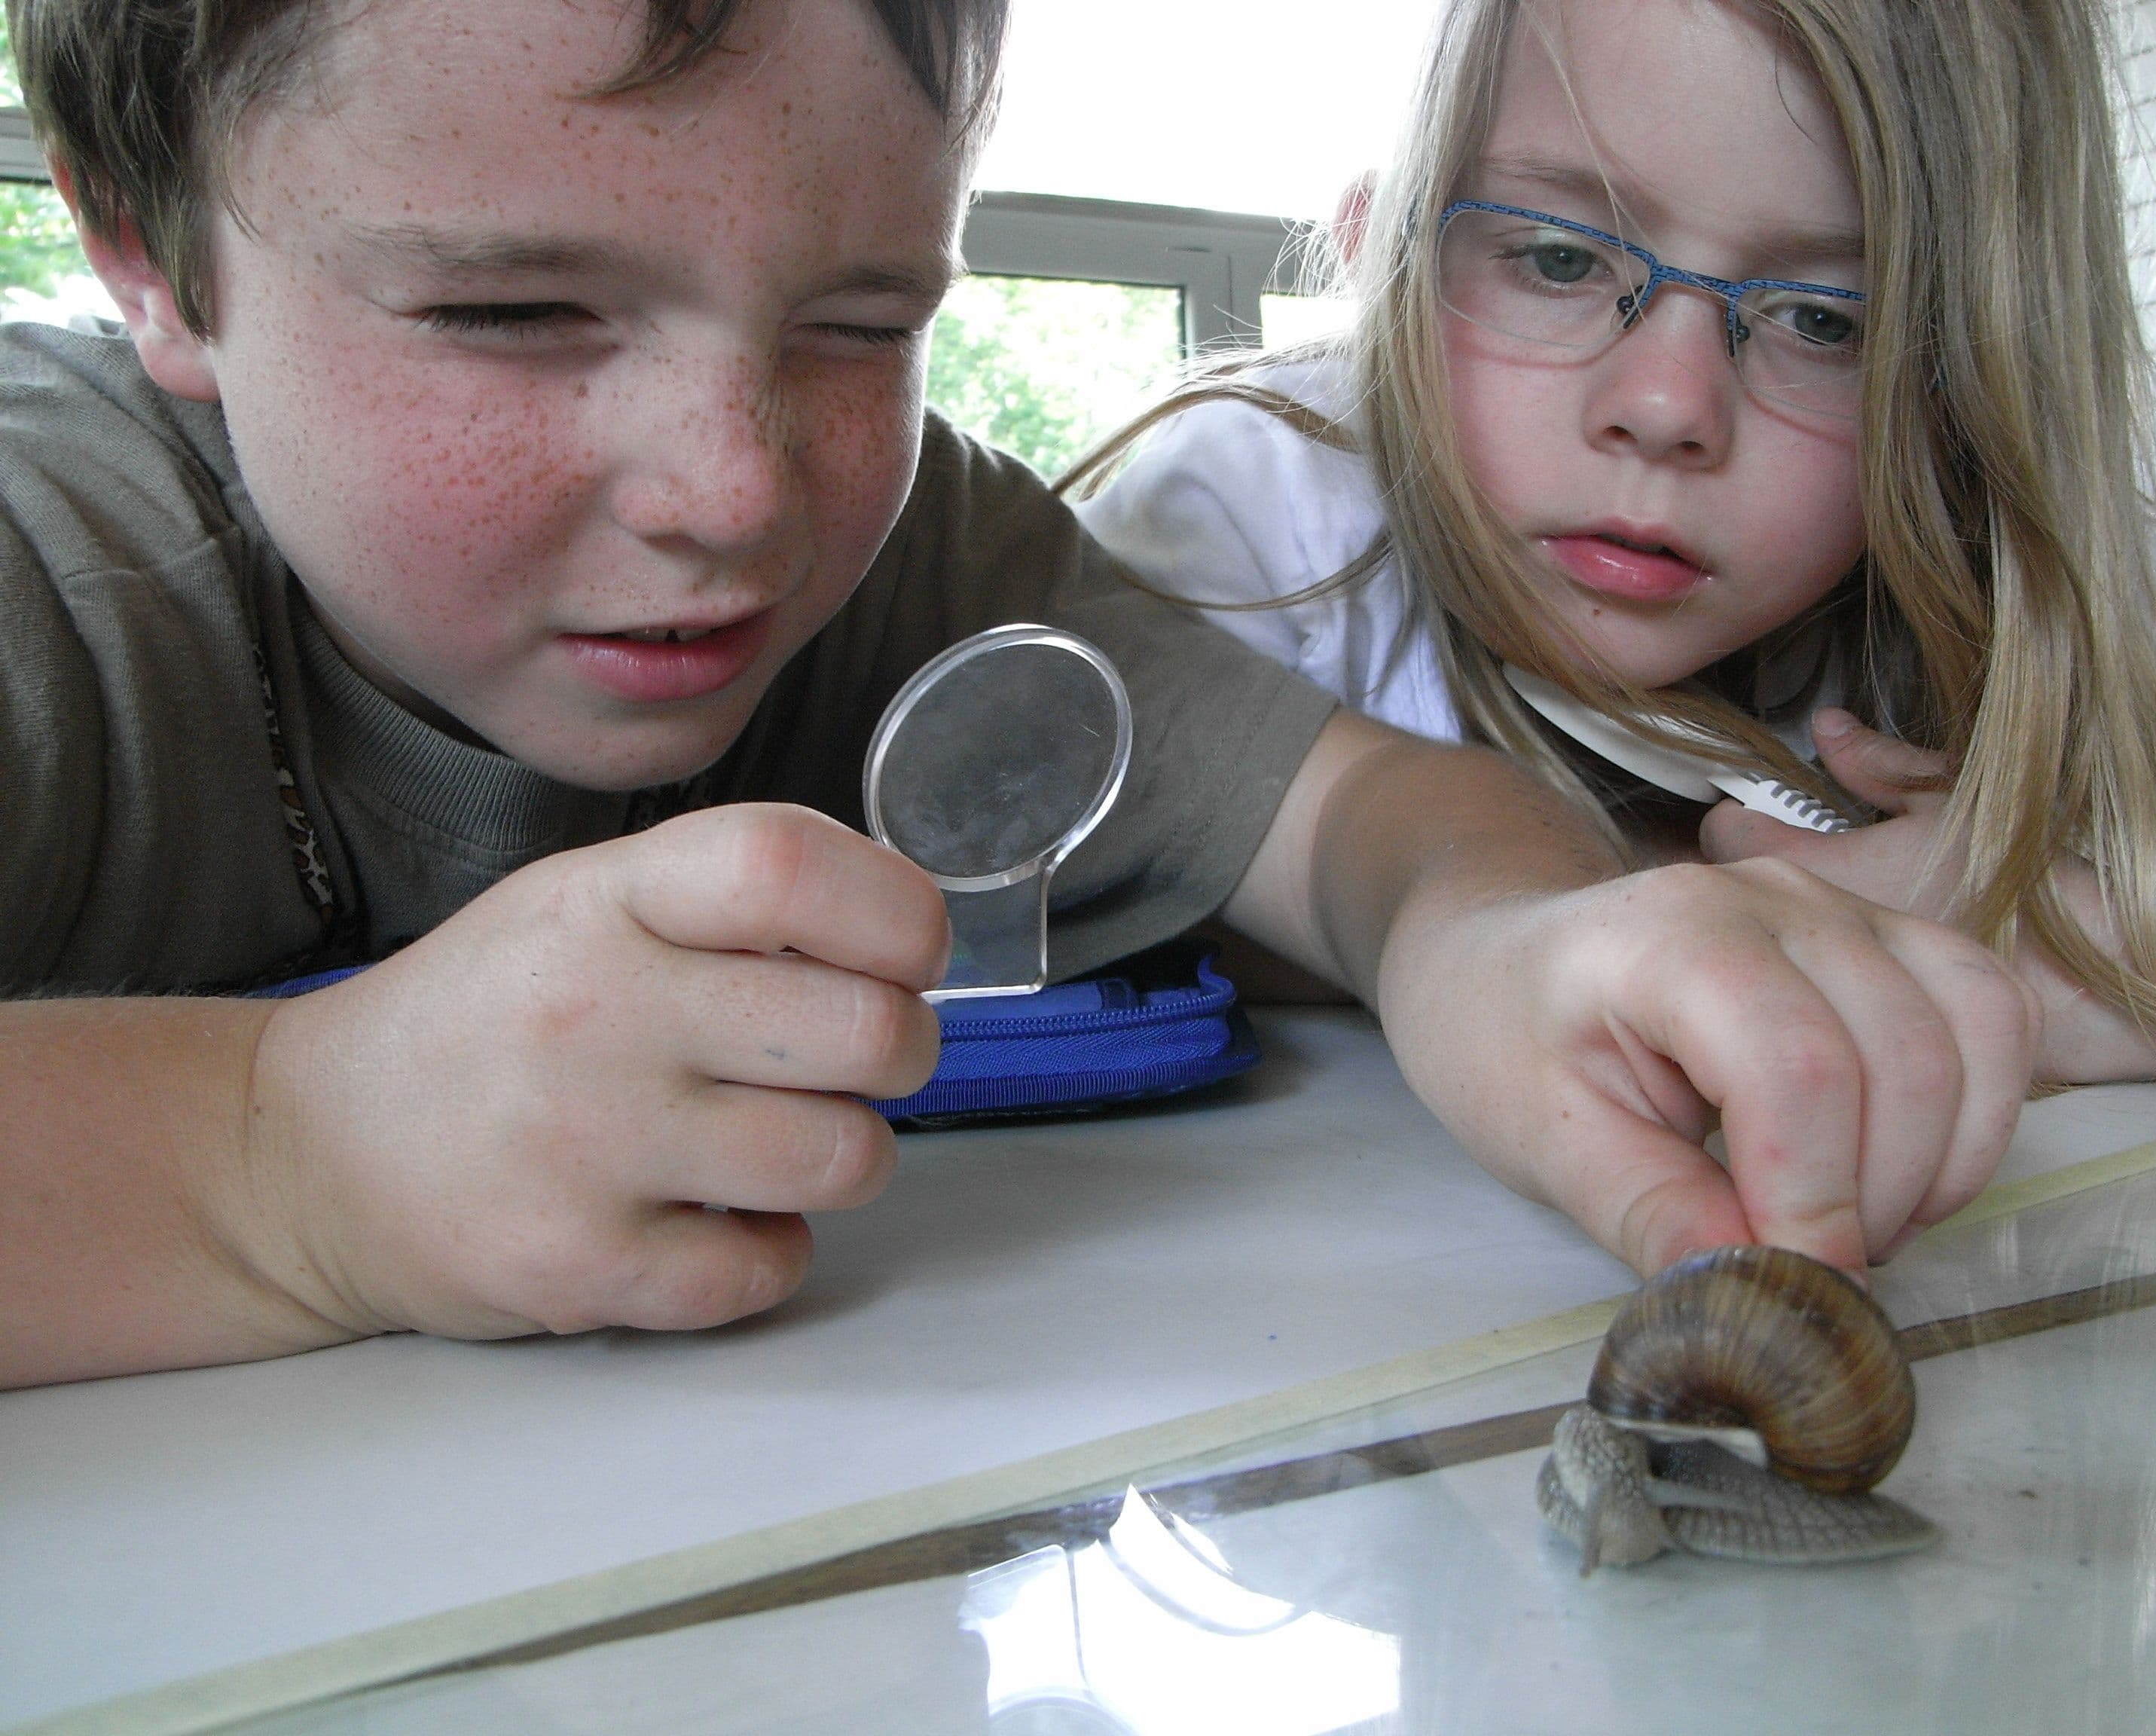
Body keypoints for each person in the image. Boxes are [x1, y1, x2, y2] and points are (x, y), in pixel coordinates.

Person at [0, 0, 2039, 1391]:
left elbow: (1363, 825)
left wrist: (1506, 936)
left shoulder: (920, 570)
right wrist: (284, 1164)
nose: (738, 493)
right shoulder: (50, 568)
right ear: (151, 249)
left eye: (861, 324)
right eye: (514, 312)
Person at [1076, 0, 2156, 1102]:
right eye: (1559, 258)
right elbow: (1106, 910)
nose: (1667, 406)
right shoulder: (1266, 500)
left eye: (1826, 322)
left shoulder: (2009, 559)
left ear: (1962, 407)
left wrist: (2063, 954)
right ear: (1386, 250)